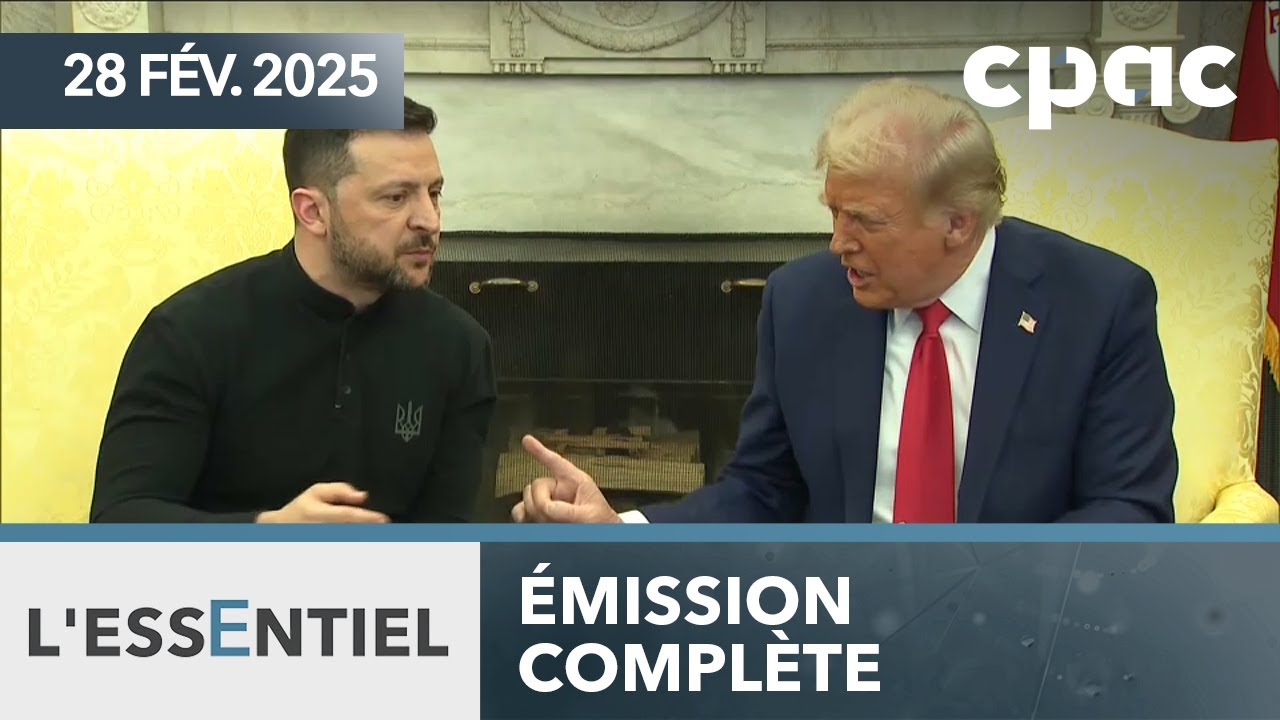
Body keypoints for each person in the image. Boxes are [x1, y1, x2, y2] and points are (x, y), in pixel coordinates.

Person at [512, 79, 1178, 524]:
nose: (838, 243)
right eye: (833, 212)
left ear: (958, 223)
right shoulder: (803, 302)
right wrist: (622, 529)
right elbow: (763, 491)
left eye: (866, 221)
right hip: (844, 627)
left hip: (1022, 628)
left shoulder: (1097, 305)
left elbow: (1127, 510)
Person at [90, 97, 497, 523]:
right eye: (396, 198)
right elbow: (119, 521)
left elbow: (449, 534)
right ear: (313, 211)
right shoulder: (190, 332)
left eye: (434, 193)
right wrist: (268, 535)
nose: (430, 221)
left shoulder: (459, 346)